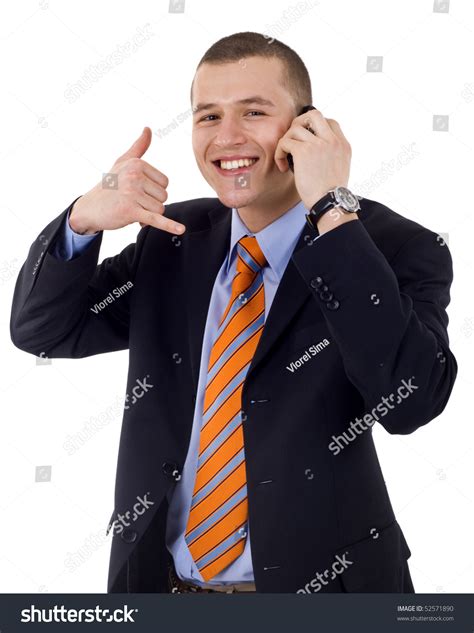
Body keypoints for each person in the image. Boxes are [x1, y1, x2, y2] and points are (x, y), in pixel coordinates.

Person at [10, 31, 457, 593]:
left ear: (307, 127)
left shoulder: (392, 248)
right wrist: (82, 222)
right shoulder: (173, 238)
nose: (228, 138)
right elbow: (41, 330)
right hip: (162, 590)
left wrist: (333, 212)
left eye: (254, 112)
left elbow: (412, 402)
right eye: (208, 117)